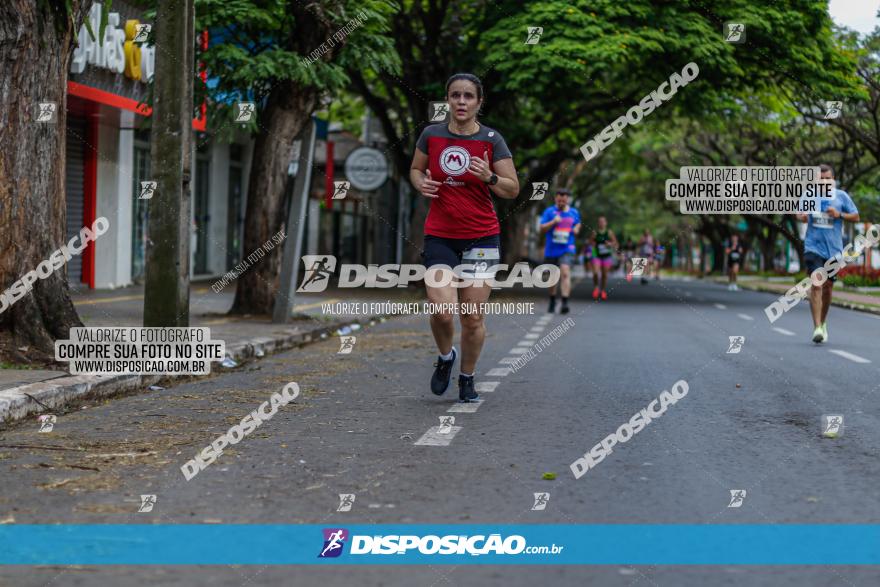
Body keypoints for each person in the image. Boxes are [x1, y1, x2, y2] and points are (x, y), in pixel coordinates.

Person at [410, 73, 520, 401]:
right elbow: (415, 169)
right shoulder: (431, 135)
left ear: (478, 102)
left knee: (471, 316)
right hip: (440, 235)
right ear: (447, 99)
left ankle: (467, 377)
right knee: (441, 310)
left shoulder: (491, 139)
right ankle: (446, 358)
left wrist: (489, 176)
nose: (461, 102)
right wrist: (420, 183)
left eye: (468, 96)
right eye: (455, 95)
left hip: (482, 237)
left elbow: (512, 189)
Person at [795, 164, 859, 343]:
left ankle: (823, 323)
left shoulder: (841, 196)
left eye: (827, 178)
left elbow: (856, 216)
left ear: (833, 179)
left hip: (834, 250)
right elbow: (798, 214)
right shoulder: (809, 195)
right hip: (813, 247)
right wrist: (804, 216)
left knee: (828, 287)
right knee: (816, 284)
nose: (824, 181)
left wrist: (839, 215)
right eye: (820, 178)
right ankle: (816, 328)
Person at [539, 188, 581, 313]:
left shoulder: (573, 212)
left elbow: (578, 223)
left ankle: (564, 303)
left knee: (565, 272)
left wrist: (577, 229)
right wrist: (553, 222)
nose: (562, 201)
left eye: (564, 199)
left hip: (567, 247)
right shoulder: (549, 211)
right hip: (552, 249)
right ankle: (552, 299)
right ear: (556, 199)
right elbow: (542, 228)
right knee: (553, 277)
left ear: (568, 199)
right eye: (559, 199)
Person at [590, 216, 618, 300]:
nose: (601, 223)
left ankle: (603, 291)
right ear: (598, 223)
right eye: (600, 221)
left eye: (603, 221)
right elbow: (591, 241)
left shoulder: (609, 232)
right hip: (596, 255)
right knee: (595, 272)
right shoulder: (595, 232)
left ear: (606, 223)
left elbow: (615, 242)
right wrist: (593, 244)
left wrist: (610, 244)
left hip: (606, 255)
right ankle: (596, 288)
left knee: (604, 274)